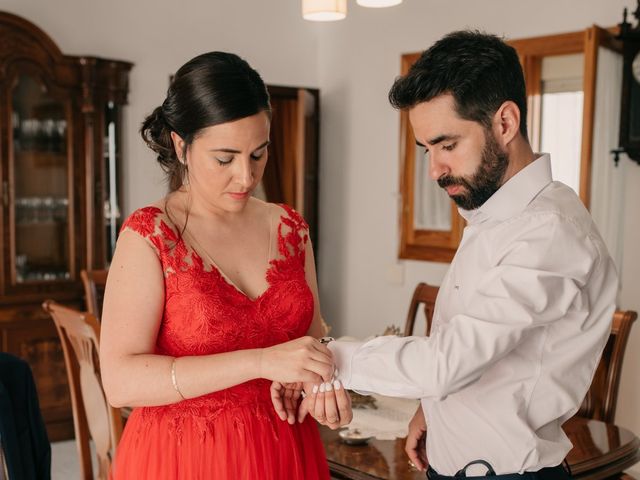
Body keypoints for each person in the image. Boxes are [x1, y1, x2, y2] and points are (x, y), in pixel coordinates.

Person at [308, 30, 618, 479]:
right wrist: (434, 412)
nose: (434, 169)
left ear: (505, 123)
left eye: (447, 145)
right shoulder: (495, 213)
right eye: (427, 149)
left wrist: (328, 358)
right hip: (450, 460)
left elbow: (447, 362)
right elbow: (482, 364)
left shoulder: (548, 233)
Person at [99, 51, 349, 480]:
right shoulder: (150, 235)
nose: (246, 177)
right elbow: (121, 382)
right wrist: (259, 362)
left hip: (286, 450)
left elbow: (311, 342)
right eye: (225, 158)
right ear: (181, 145)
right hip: (184, 458)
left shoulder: (291, 228)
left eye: (258, 154)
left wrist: (322, 386)